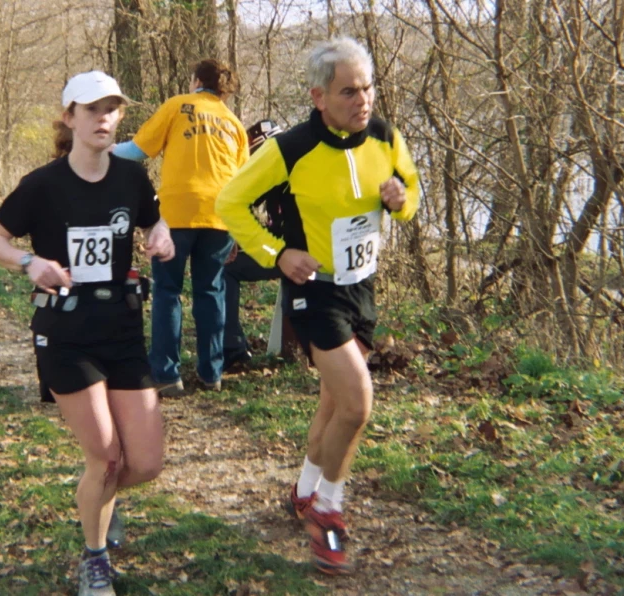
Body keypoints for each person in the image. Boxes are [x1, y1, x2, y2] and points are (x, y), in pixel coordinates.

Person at [217, 38, 420, 574]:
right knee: (356, 404)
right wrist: (276, 253)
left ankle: (305, 490)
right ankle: (327, 511)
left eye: (368, 87)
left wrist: (402, 201)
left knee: (333, 406)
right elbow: (229, 202)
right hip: (314, 291)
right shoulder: (291, 147)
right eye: (349, 90)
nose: (364, 100)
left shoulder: (385, 136)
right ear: (319, 96)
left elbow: (411, 187)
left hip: (361, 287)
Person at [0, 71, 174, 595]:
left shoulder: (132, 178)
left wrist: (160, 233)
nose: (104, 119)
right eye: (92, 109)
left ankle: (97, 500)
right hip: (65, 333)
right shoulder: (43, 184)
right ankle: (94, 556)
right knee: (107, 458)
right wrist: (29, 261)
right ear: (70, 118)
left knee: (147, 462)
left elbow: (153, 221)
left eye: (112, 109)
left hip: (123, 331)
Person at [113, 59, 249, 396]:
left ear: (195, 81)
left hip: (175, 215)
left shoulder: (177, 106)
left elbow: (138, 150)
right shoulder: (234, 124)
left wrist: (104, 149)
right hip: (219, 216)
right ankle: (211, 372)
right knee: (211, 291)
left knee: (167, 291)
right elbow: (244, 181)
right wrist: (238, 228)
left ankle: (166, 374)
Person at [223, 119, 284, 370]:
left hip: (304, 252)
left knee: (227, 269)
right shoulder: (267, 177)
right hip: (281, 250)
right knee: (227, 265)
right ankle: (234, 349)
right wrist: (234, 237)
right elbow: (239, 204)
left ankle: (233, 350)